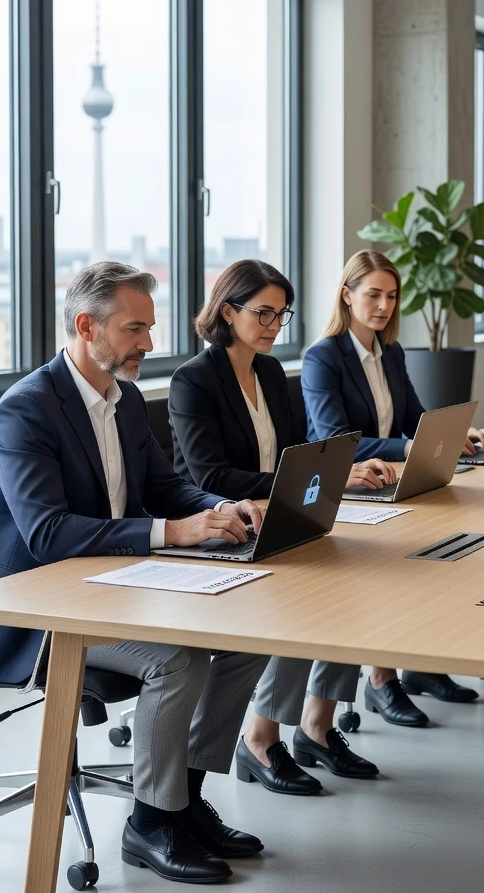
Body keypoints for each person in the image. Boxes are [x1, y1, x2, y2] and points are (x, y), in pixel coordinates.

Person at [0, 263, 272, 885]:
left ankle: (184, 797)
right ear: (86, 327)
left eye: (149, 329)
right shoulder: (26, 410)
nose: (149, 344)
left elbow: (166, 487)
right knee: (175, 658)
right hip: (34, 611)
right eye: (135, 330)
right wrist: (172, 532)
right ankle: (151, 823)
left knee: (250, 635)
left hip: (118, 586)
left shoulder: (125, 400)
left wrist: (221, 509)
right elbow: (48, 533)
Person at [169, 259, 391, 796]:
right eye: (263, 313)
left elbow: (295, 454)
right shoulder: (194, 379)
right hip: (217, 527)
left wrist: (331, 474)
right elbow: (210, 476)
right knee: (304, 594)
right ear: (228, 312)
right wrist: (295, 485)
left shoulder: (269, 371)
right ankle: (261, 738)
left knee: (349, 576)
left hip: (272, 515)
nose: (273, 324)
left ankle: (317, 726)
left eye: (281, 314)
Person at [302, 249, 484, 726]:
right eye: (373, 295)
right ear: (347, 296)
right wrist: (407, 448)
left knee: (447, 546)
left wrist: (451, 433)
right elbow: (336, 439)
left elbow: (412, 418)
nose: (384, 305)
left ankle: (420, 665)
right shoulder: (323, 357)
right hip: (346, 490)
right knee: (396, 566)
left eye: (391, 296)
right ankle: (382, 680)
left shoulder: (392, 353)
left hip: (387, 483)